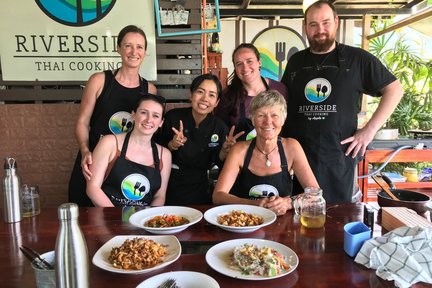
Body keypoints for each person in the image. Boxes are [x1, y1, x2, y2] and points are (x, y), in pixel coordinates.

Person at [280, 0, 404, 204]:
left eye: (326, 22)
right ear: (305, 28)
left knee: (340, 221)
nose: (320, 30)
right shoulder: (296, 62)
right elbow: (283, 102)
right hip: (300, 160)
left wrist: (369, 130)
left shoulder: (358, 59)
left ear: (336, 22)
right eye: (313, 24)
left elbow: (395, 89)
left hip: (339, 159)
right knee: (299, 219)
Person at [68, 25, 157, 206]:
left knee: (119, 224)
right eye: (128, 46)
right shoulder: (99, 80)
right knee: (85, 219)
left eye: (139, 47)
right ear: (118, 48)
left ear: (145, 51)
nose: (134, 52)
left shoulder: (149, 89)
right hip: (92, 161)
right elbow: (82, 122)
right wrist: (85, 150)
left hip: (122, 170)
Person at [212, 90, 319, 216]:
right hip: (246, 223)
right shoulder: (239, 150)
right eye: (261, 115)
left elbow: (315, 194)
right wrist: (254, 205)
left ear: (283, 120)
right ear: (253, 120)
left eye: (274, 115)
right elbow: (218, 196)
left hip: (283, 227)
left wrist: (288, 203)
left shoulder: (292, 147)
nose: (268, 122)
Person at [155, 74, 242, 205]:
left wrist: (225, 151)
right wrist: (172, 144)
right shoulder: (172, 117)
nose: (205, 98)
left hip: (201, 186)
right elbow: (156, 150)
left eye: (212, 95)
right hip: (168, 183)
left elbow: (217, 160)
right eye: (200, 92)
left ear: (217, 102)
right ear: (191, 95)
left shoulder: (219, 127)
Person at [86, 94, 171, 207]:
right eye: (143, 112)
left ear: (161, 123)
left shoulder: (164, 154)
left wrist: (149, 219)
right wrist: (116, 218)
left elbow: (159, 196)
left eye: (155, 116)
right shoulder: (109, 142)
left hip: (143, 220)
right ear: (133, 115)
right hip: (107, 217)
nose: (149, 119)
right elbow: (93, 188)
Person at [215, 43, 288, 141]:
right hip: (239, 153)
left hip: (275, 153)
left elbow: (289, 125)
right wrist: (227, 143)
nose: (245, 68)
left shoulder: (280, 89)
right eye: (239, 64)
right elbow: (219, 130)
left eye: (249, 61)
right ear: (235, 68)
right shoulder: (227, 95)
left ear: (259, 62)